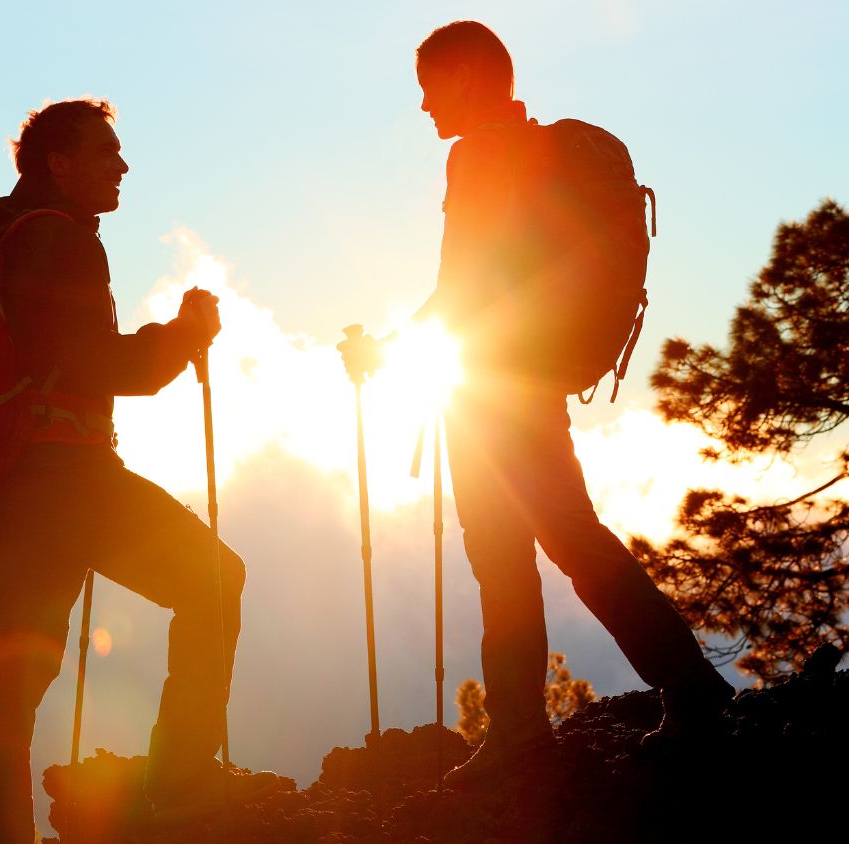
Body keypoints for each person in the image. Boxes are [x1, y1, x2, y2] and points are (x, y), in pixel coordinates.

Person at [340, 22, 735, 790]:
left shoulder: (478, 155)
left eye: (429, 85)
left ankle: (557, 722)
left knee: (521, 552)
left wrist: (383, 351)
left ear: (465, 78)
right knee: (556, 541)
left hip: (493, 390)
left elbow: (461, 285)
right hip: (531, 379)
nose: (422, 105)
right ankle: (634, 700)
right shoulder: (535, 152)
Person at [0, 99, 275, 844]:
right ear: (59, 165)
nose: (123, 165)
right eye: (106, 152)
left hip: (16, 488)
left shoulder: (13, 235)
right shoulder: (61, 240)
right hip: (71, 482)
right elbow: (99, 365)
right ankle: (180, 781)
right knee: (214, 583)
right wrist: (185, 336)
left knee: (13, 675)